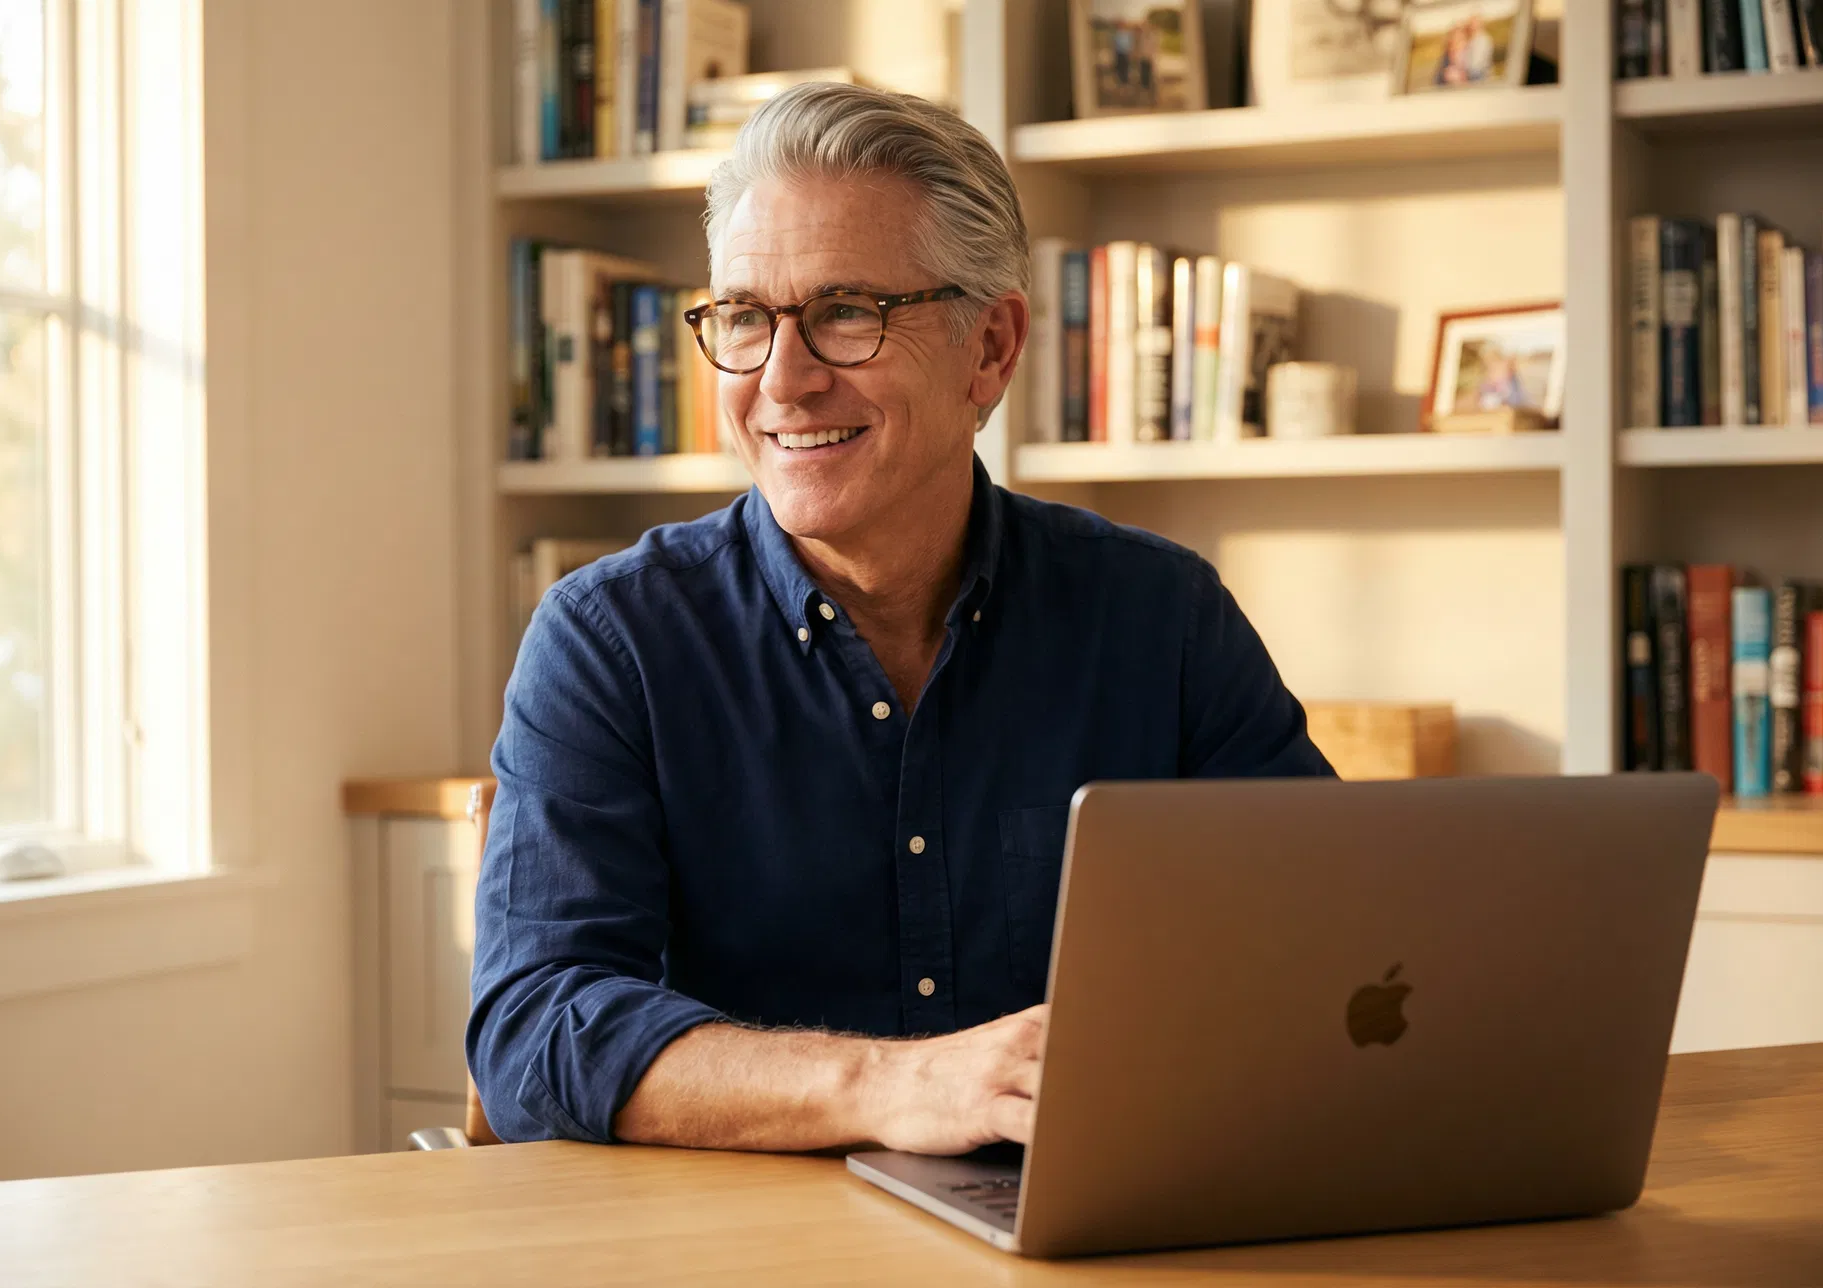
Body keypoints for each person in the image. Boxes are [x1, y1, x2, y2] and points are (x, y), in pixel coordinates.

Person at [468, 82, 1334, 1156]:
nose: (782, 381)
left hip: (1084, 1232)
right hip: (734, 1255)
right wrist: (887, 1086)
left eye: (845, 313)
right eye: (744, 317)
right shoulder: (610, 641)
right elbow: (532, 1036)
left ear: (992, 348)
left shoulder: (1163, 619)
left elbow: (1324, 956)